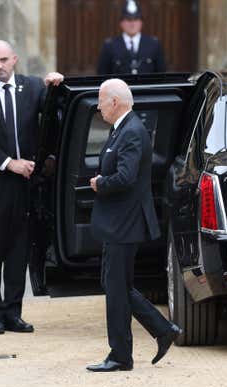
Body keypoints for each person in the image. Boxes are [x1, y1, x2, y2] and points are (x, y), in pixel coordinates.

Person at [0, 40, 64, 335]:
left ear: (15, 59)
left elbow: (55, 112)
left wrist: (56, 85)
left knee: (19, 252)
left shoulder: (32, 88)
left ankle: (13, 312)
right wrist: (10, 163)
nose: (0, 66)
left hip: (26, 186)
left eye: (4, 60)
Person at [86, 79, 180, 372]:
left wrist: (100, 183)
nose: (98, 106)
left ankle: (121, 355)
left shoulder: (132, 132)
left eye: (101, 101)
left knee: (116, 288)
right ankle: (163, 330)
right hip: (118, 223)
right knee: (116, 286)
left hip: (125, 224)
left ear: (115, 102)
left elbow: (125, 177)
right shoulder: (121, 129)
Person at [96, 0, 166, 75]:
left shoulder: (153, 44)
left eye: (136, 19)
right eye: (128, 20)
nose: (132, 24)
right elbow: (102, 75)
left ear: (141, 22)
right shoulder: (110, 45)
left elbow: (161, 74)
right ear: (121, 23)